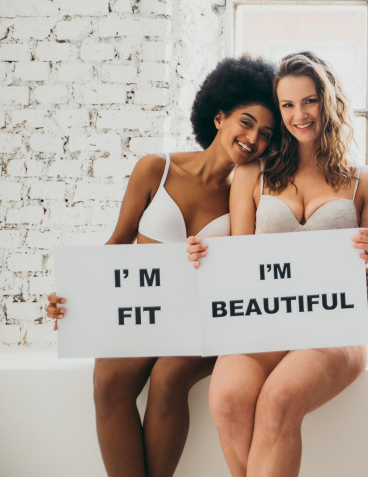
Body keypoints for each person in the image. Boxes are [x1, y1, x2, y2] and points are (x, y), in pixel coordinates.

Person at [45, 57, 279, 477]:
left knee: (170, 376)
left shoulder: (250, 189)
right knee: (109, 381)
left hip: (205, 320)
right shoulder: (156, 168)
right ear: (219, 115)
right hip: (148, 313)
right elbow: (117, 245)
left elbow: (250, 266)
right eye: (245, 123)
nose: (252, 139)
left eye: (265, 134)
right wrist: (73, 298)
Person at [189, 51, 368, 477]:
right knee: (227, 400)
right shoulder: (252, 176)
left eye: (309, 100)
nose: (300, 114)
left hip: (336, 327)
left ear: (328, 100)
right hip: (265, 320)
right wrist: (205, 256)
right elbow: (239, 263)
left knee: (278, 400)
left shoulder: (365, 181)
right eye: (287, 105)